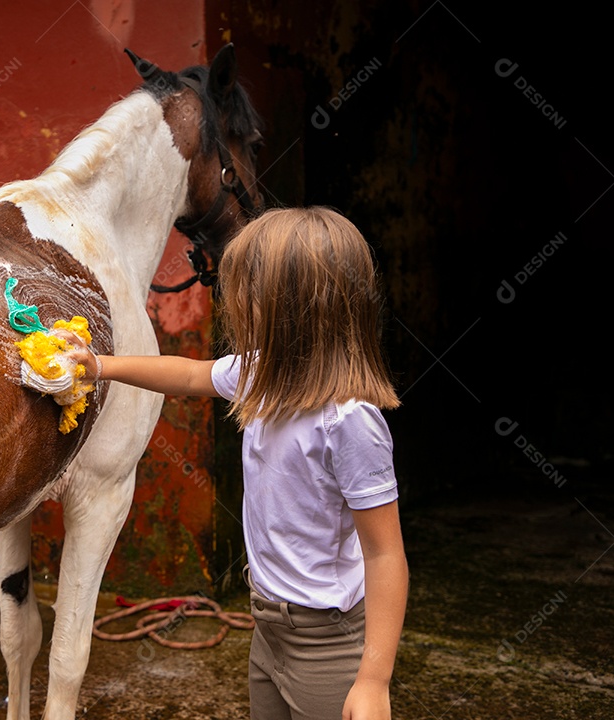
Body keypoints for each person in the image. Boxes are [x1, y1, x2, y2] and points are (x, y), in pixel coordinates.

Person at [67, 207, 408, 720]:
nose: (230, 303)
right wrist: (99, 366)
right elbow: (185, 374)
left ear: (291, 307)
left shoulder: (348, 423)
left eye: (245, 291)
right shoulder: (258, 376)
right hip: (267, 627)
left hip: (327, 641)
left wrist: (373, 678)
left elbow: (385, 556)